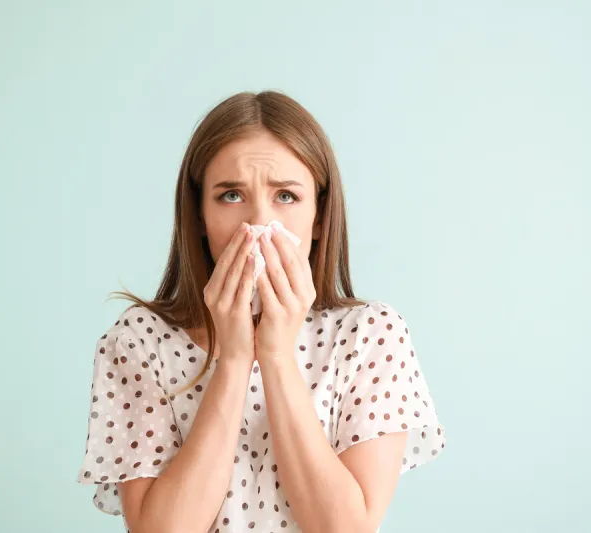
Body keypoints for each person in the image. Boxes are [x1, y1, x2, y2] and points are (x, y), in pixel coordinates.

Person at [76, 90, 446, 533]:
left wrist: (276, 356)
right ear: (198, 216)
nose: (257, 224)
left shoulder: (370, 335)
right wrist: (232, 361)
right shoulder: (139, 342)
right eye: (231, 195)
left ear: (320, 218)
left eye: (286, 197)